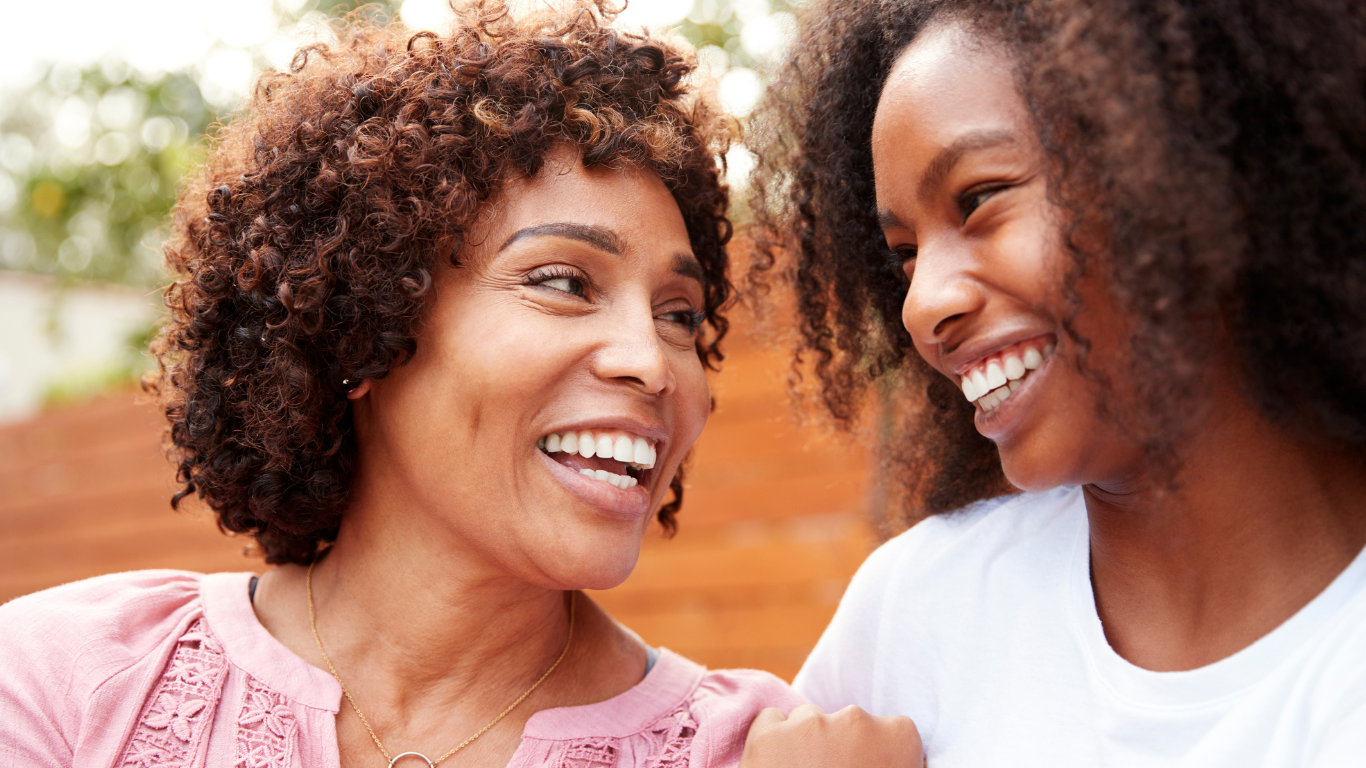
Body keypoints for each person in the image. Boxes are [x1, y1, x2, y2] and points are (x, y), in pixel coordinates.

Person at [0, 3, 815, 766]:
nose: (650, 359)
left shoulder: (757, 748)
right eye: (564, 281)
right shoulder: (69, 682)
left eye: (679, 314)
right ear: (364, 326)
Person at [741, 0, 1366, 765]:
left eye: (978, 200)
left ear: (1187, 165)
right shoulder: (919, 613)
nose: (924, 304)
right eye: (904, 255)